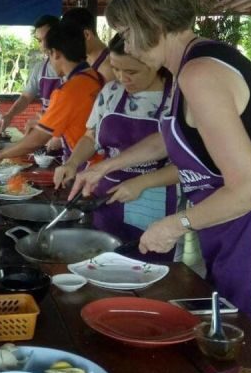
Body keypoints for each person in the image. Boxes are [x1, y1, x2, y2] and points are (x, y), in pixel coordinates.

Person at [71, 0, 251, 356]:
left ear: (151, 23)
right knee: (239, 354)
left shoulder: (200, 74)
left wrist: (176, 225)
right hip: (240, 231)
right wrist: (105, 166)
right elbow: (175, 138)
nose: (126, 44)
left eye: (126, 32)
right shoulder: (193, 64)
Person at [54, 34, 177, 262]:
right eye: (116, 69)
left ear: (154, 62)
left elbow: (187, 165)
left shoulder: (177, 99)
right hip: (107, 197)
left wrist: (141, 182)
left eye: (131, 72)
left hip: (155, 202)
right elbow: (91, 137)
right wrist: (72, 162)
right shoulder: (111, 92)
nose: (122, 78)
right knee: (102, 261)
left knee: (146, 268)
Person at [0, 19, 102, 165]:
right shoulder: (93, 76)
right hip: (93, 160)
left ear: (55, 53)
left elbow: (36, 140)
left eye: (48, 54)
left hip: (86, 165)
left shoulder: (67, 92)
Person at [0, 14, 60, 132]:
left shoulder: (74, 71)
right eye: (39, 40)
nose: (43, 45)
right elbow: (26, 97)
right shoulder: (40, 68)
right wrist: (10, 114)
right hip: (46, 130)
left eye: (46, 39)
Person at [61, 7, 114, 84]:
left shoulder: (108, 68)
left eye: (71, 40)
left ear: (87, 35)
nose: (69, 45)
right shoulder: (82, 60)